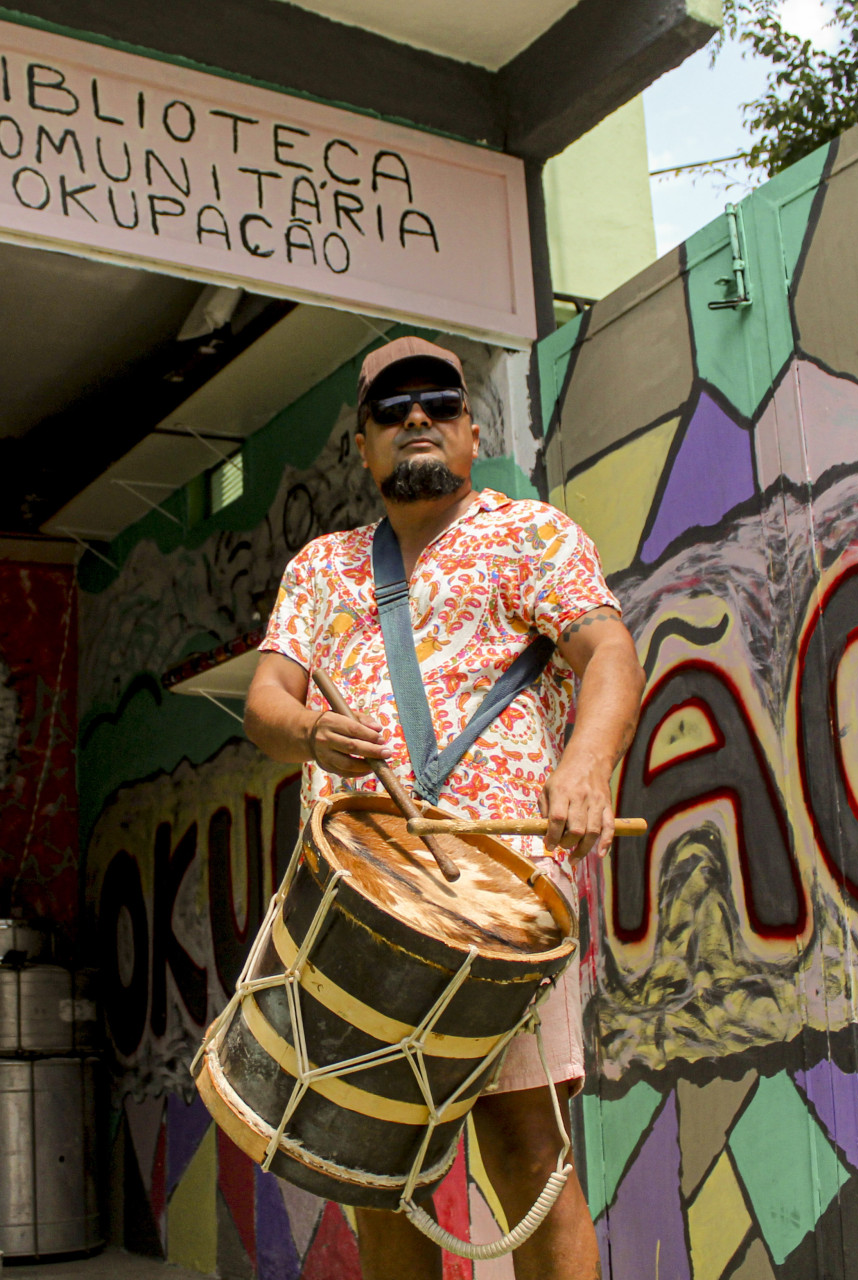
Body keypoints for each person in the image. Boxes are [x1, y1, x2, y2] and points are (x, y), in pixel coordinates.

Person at [245, 336, 644, 1280]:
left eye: (436, 403)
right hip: (366, 915)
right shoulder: (320, 569)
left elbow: (610, 656)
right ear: (363, 443)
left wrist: (588, 764)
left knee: (527, 1158)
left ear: (470, 431)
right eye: (392, 409)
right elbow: (266, 705)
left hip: (501, 908)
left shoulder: (531, 537)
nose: (415, 418)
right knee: (375, 1176)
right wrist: (308, 731)